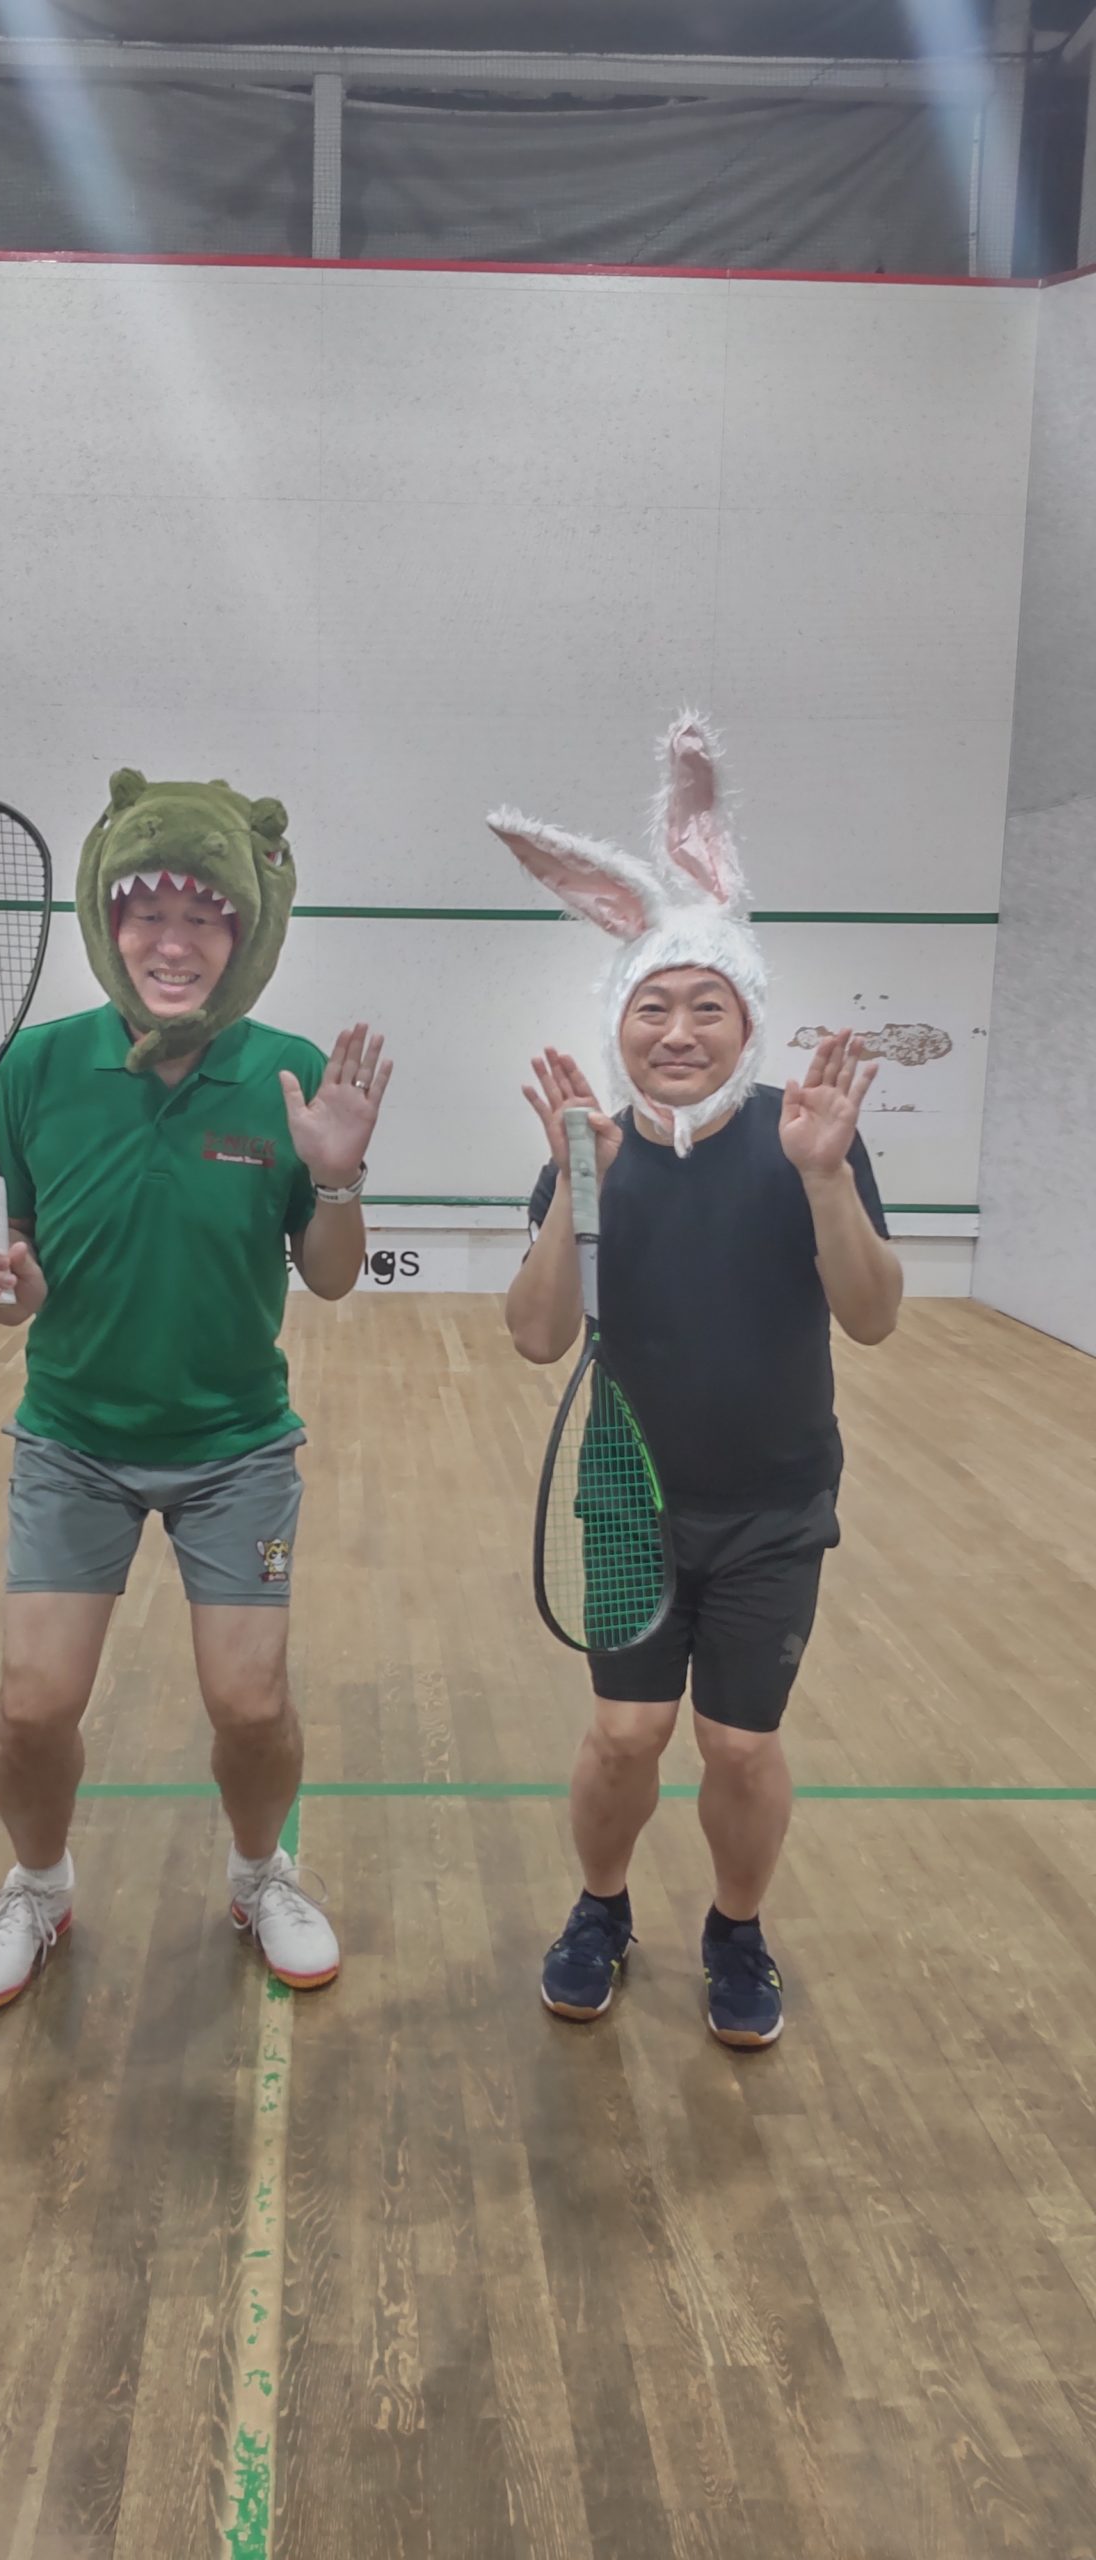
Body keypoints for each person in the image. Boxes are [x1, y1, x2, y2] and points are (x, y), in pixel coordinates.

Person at [0, 770, 391, 2010]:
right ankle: (38, 1887)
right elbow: (13, 1284)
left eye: (205, 918)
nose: (173, 942)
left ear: (244, 938)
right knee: (32, 1709)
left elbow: (333, 1277)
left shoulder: (288, 1074)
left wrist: (338, 1179)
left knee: (249, 1706)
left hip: (236, 1449)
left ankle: (261, 1874)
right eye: (148, 913)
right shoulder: (34, 1068)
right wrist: (3, 1281)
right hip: (72, 1442)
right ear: (108, 922)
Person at [493, 718, 901, 2047]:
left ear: (747, 1021)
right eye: (652, 1006)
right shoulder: (588, 1151)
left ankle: (736, 1928)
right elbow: (535, 1336)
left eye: (705, 1006)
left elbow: (874, 1317)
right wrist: (580, 1186)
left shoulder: (806, 1141)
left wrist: (827, 1180)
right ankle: (600, 1908)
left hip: (775, 1507)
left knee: (737, 1746)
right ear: (620, 1020)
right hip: (629, 1502)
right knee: (625, 1736)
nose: (677, 1030)